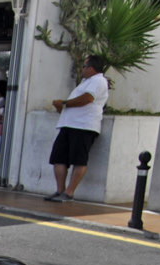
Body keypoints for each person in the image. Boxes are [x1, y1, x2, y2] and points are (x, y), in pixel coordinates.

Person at [45, 54, 109, 202]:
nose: (82, 69)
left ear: (91, 68)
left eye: (84, 66)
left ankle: (69, 192)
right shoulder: (86, 82)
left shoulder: (99, 81)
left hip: (84, 126)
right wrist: (62, 107)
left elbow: (87, 99)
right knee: (58, 157)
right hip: (69, 124)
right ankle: (60, 190)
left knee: (79, 159)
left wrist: (65, 103)